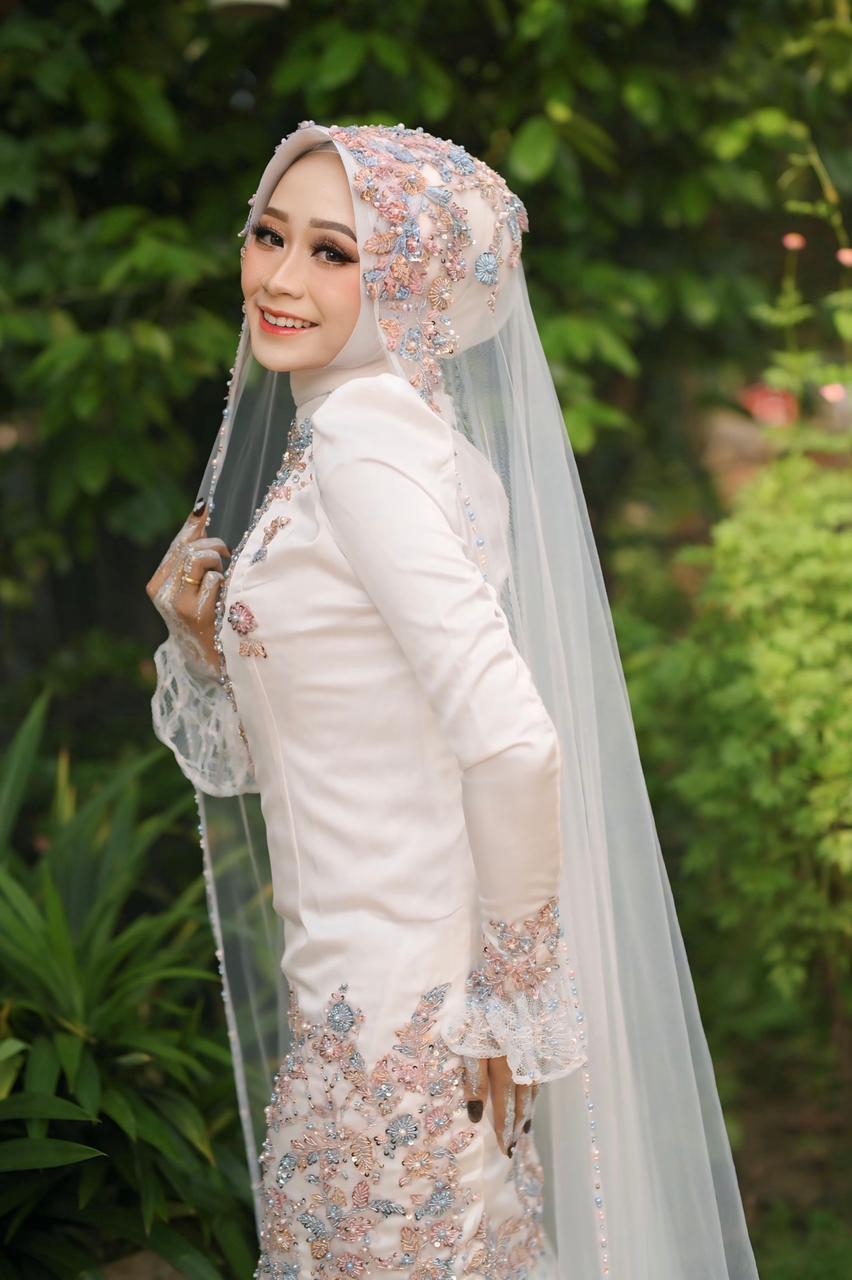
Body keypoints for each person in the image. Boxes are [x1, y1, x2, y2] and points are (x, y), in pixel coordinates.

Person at [148, 121, 760, 1280]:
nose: (280, 278)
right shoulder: (392, 437)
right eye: (271, 235)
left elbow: (514, 740)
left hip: (398, 1031)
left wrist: (514, 1002)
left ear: (415, 282)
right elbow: (347, 736)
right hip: (371, 1003)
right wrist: (208, 635)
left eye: (336, 252)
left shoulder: (366, 453)